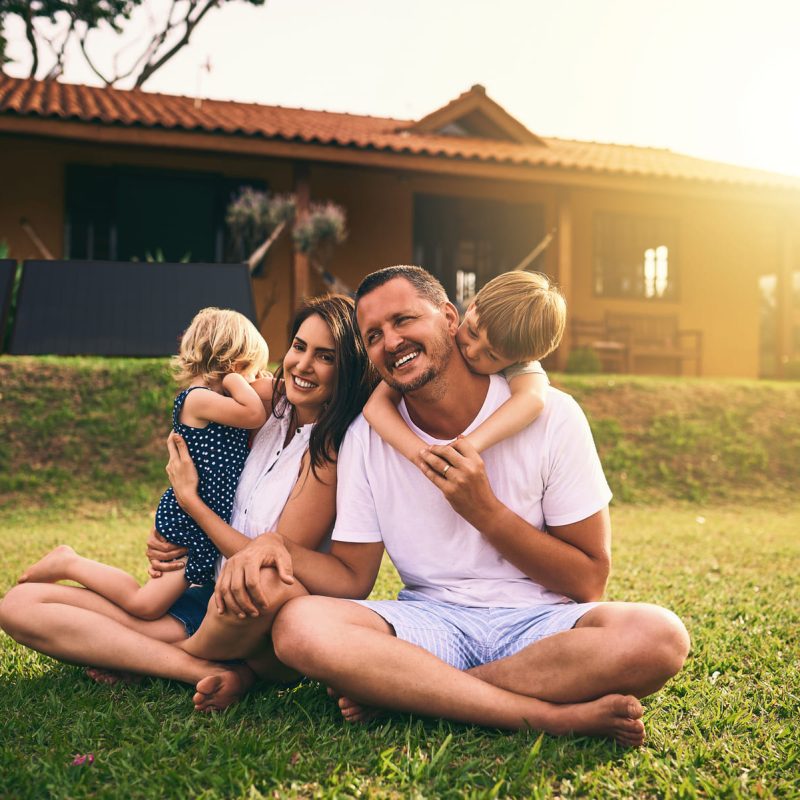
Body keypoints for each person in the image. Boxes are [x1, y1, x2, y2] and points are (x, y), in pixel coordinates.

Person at [201, 265, 690, 745]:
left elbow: (589, 581)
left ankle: (415, 691)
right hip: (430, 621)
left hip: (540, 624)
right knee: (300, 627)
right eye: (373, 336)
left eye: (403, 320)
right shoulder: (367, 438)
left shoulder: (553, 416)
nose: (390, 342)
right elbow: (352, 577)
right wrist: (272, 544)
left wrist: (485, 512)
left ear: (451, 319)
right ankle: (544, 715)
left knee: (658, 636)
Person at [0, 295, 374, 700]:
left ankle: (133, 654)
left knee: (264, 582)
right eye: (299, 347)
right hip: (206, 595)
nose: (302, 365)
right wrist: (172, 527)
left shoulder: (329, 451)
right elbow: (203, 426)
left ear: (348, 368)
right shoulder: (269, 403)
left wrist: (191, 503)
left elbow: (268, 558)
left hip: (249, 612)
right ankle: (199, 668)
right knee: (18, 604)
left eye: (325, 357)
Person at [17, 307, 270, 620]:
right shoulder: (197, 398)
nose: (256, 380)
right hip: (188, 521)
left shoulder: (220, 406)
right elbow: (255, 413)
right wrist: (238, 381)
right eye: (253, 370)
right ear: (233, 362)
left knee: (153, 604)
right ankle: (69, 562)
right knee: (144, 604)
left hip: (204, 519)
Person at [363, 271, 564, 463]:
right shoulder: (438, 344)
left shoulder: (522, 362)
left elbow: (532, 399)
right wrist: (422, 456)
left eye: (491, 355)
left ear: (521, 360)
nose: (472, 351)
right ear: (471, 308)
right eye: (473, 333)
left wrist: (469, 445)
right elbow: (375, 408)